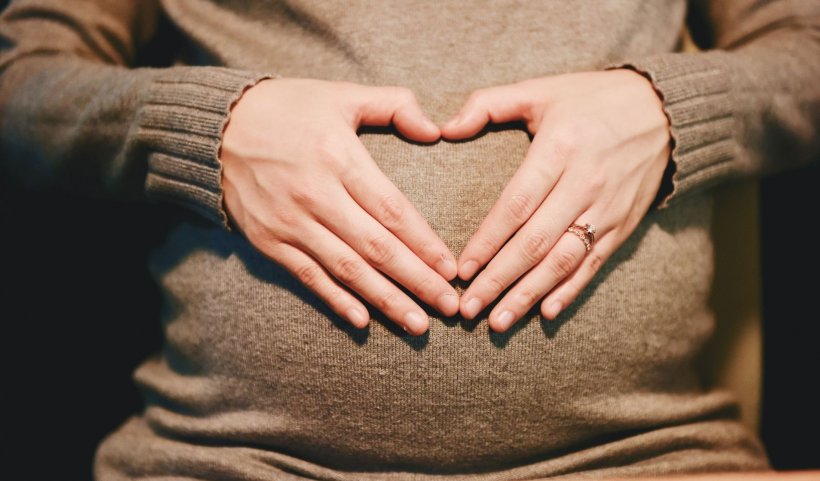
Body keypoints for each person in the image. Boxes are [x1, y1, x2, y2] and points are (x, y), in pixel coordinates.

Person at [1, 0, 818, 479]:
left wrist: (670, 111)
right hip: (230, 459)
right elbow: (21, 78)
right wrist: (206, 128)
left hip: (645, 458)